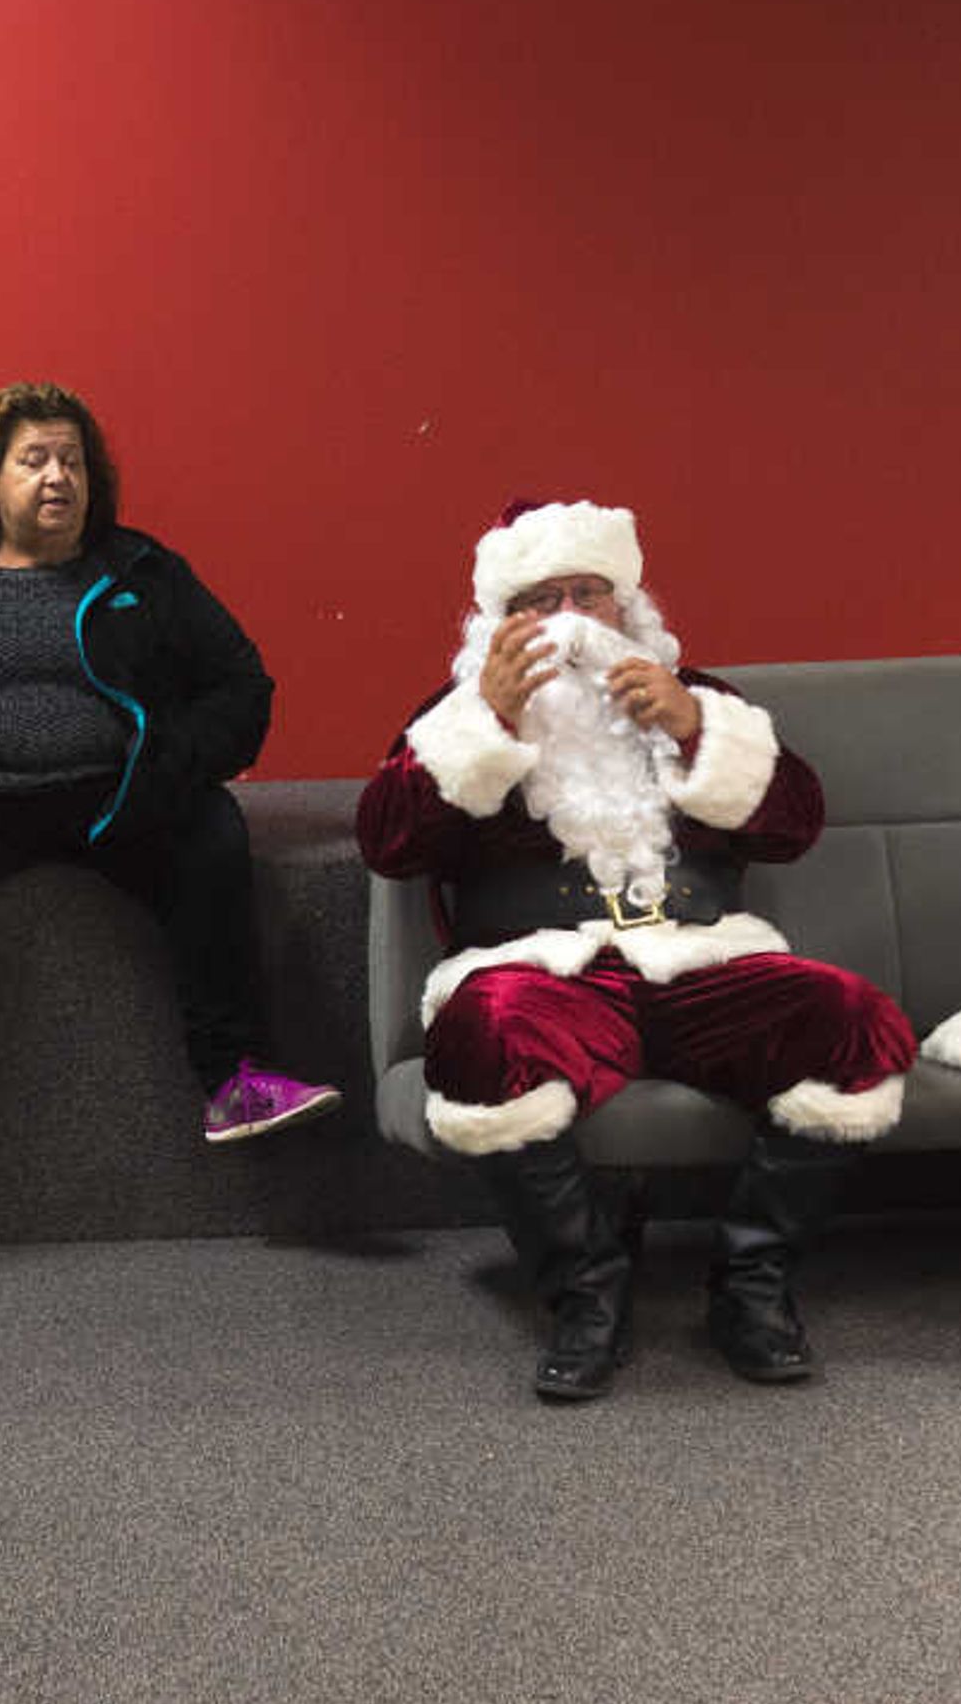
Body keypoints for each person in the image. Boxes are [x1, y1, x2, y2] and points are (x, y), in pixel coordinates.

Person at [358, 500, 914, 1402]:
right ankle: (587, 1291)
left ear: (627, 606)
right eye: (544, 600)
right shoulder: (458, 712)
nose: (573, 619)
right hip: (544, 977)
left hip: (704, 963)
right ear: (503, 622)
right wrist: (485, 725)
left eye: (590, 594)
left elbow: (796, 822)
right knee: (482, 1030)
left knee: (852, 1022)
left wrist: (695, 727)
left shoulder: (696, 694)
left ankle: (752, 1284)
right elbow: (387, 842)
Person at [0, 381, 339, 1177]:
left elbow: (240, 685)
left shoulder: (142, 570)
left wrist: (168, 771)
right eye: (35, 460)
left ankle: (236, 1080)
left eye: (73, 461)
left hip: (112, 800)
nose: (59, 478)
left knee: (211, 832)